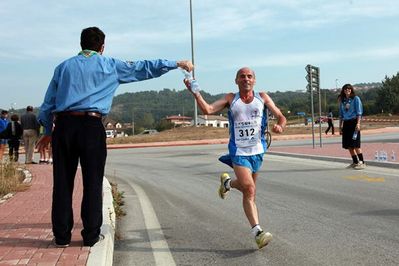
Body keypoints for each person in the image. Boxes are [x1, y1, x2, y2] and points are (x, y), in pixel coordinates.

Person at [36, 26, 193, 247]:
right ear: (102, 47)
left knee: (62, 183)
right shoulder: (110, 65)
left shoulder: (62, 68)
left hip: (64, 126)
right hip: (92, 126)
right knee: (92, 182)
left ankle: (61, 236)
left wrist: (47, 132)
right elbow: (143, 68)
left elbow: (48, 103)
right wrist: (175, 63)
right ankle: (90, 236)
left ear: (81, 44)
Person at [184, 67, 286, 249]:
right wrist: (195, 93)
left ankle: (228, 184)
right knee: (249, 188)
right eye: (242, 76)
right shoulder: (231, 99)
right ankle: (257, 232)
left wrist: (280, 125)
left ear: (254, 80)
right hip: (238, 150)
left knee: (250, 192)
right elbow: (207, 109)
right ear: (236, 80)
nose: (246, 79)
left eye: (249, 76)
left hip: (258, 150)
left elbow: (281, 116)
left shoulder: (262, 97)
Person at [338, 84, 365, 169]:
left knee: (356, 144)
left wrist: (358, 123)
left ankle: (362, 162)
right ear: (343, 91)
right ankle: (355, 162)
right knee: (349, 145)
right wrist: (340, 127)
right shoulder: (342, 101)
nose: (347, 90)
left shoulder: (356, 99)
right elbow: (341, 115)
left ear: (351, 90)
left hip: (354, 123)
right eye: (345, 89)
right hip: (346, 124)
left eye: (349, 89)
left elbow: (359, 113)